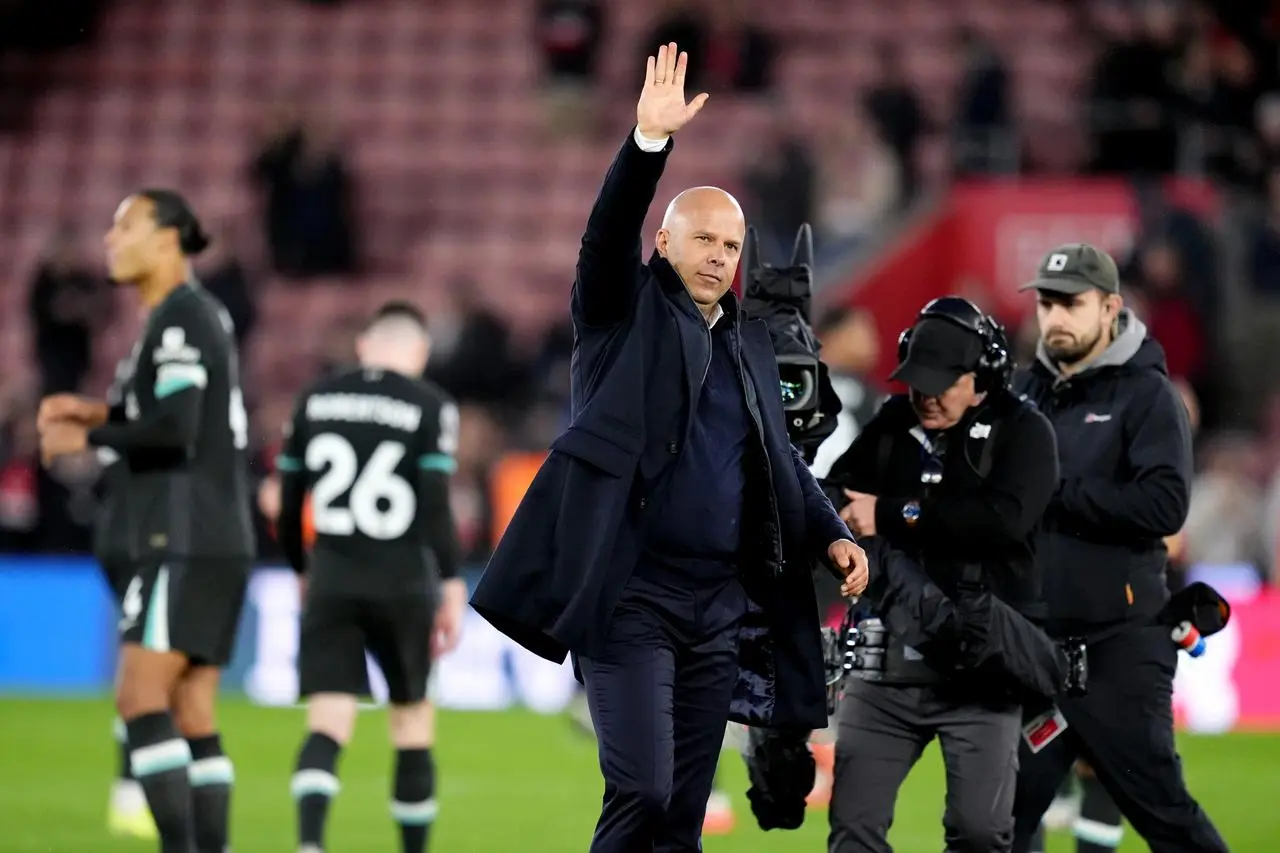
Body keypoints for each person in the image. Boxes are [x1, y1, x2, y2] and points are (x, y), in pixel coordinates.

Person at [470, 43, 869, 852]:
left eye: (733, 246)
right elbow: (605, 235)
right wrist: (647, 145)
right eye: (706, 242)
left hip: (716, 606)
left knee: (683, 813)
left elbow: (778, 459)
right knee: (643, 788)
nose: (722, 257)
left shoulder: (750, 343)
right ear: (665, 246)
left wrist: (828, 529)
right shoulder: (621, 316)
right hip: (630, 600)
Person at [38, 189, 256, 853]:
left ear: (167, 240)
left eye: (126, 225)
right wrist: (94, 413)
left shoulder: (183, 316)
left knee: (139, 699)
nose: (110, 238)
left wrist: (95, 439)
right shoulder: (179, 320)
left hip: (181, 535)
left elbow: (178, 426)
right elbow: (174, 415)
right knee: (192, 711)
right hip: (213, 533)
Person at [1010, 243, 1228, 853]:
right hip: (1034, 645)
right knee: (996, 822)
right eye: (1046, 304)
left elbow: (1165, 507)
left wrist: (1055, 491)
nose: (1054, 318)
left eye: (1070, 304)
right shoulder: (1024, 394)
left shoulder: (1148, 396)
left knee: (1165, 813)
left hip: (1120, 645)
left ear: (1110, 307)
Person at [824, 296, 1060, 853]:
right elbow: (834, 492)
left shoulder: (1025, 433)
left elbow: (1001, 522)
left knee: (980, 832)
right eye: (916, 382)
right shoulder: (893, 421)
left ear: (982, 377)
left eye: (940, 382)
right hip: (887, 665)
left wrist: (891, 513)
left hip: (981, 666)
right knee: (853, 828)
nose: (925, 396)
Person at [274, 301, 466, 853]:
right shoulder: (430, 404)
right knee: (411, 723)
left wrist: (299, 567)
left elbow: (290, 499)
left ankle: (310, 844)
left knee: (327, 722)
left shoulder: (314, 398)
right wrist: (451, 584)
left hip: (332, 575)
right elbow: (434, 505)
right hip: (403, 581)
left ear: (363, 345)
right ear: (420, 352)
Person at [97, 353, 157, 842]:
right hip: (147, 531)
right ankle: (130, 792)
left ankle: (137, 786)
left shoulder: (129, 373)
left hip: (120, 524)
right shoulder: (176, 366)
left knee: (146, 654)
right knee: (148, 658)